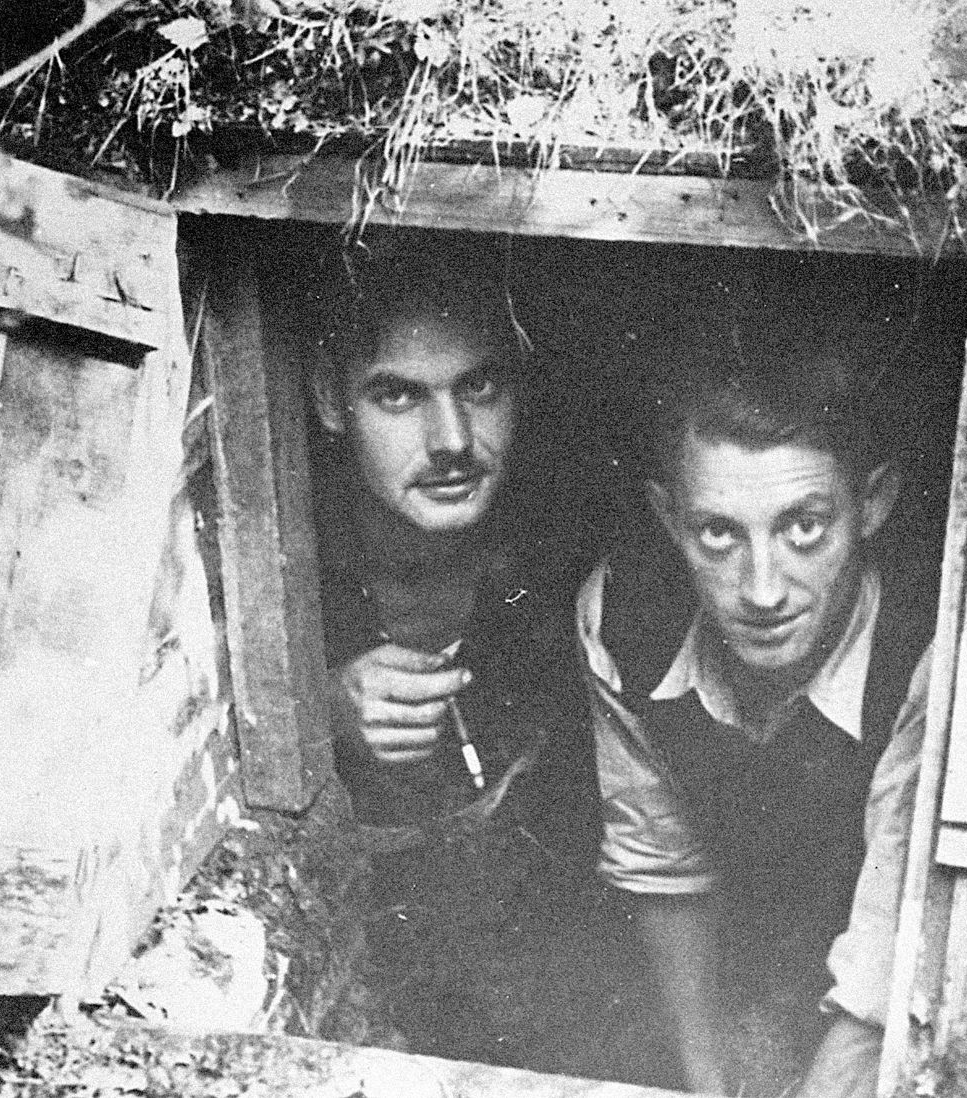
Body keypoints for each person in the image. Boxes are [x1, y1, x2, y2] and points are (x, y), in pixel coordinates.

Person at [574, 329, 931, 1094]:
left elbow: (889, 936)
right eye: (718, 534)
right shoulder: (621, 616)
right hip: (752, 964)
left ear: (871, 505)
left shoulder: (927, 646)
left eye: (804, 527)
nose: (762, 589)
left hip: (877, 979)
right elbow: (659, 863)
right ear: (669, 519)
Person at [305, 241, 603, 1063]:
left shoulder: (570, 553)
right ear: (331, 401)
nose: (451, 441)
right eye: (398, 395)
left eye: (478, 387)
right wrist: (312, 707)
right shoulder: (280, 557)